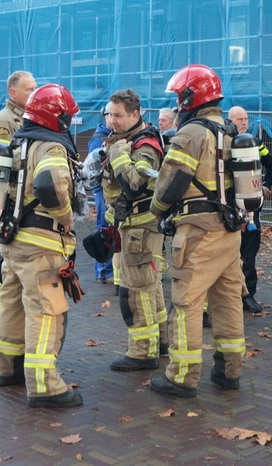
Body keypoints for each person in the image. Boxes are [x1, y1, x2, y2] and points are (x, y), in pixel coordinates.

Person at [149, 64, 246, 398]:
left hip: (197, 232)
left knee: (186, 303)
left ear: (191, 97)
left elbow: (170, 183)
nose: (178, 104)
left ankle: (182, 376)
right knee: (228, 300)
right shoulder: (229, 129)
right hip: (230, 231)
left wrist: (157, 211)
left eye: (180, 97)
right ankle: (229, 371)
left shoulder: (191, 134)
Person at [0, 84, 84, 408]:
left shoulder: (19, 142)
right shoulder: (51, 147)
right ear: (57, 118)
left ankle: (9, 368)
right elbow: (49, 185)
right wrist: (67, 217)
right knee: (45, 311)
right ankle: (45, 386)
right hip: (41, 244)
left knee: (12, 305)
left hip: (13, 241)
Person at [100, 89, 168, 372]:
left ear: (135, 115)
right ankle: (160, 342)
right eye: (109, 114)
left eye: (118, 115)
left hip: (141, 229)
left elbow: (135, 185)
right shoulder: (127, 139)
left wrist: (117, 154)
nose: (111, 120)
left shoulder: (144, 146)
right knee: (150, 288)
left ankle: (142, 351)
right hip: (133, 228)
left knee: (137, 292)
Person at [0, 71, 37, 356]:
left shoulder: (24, 119)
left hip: (15, 215)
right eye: (29, 89)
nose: (34, 92)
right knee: (2, 280)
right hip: (6, 216)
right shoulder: (6, 123)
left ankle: (9, 341)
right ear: (13, 93)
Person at [228, 106, 272, 314]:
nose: (244, 122)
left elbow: (271, 162)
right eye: (239, 119)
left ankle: (248, 295)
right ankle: (228, 295)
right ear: (229, 121)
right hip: (229, 206)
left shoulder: (255, 142)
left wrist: (266, 185)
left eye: (246, 118)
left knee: (249, 252)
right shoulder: (225, 142)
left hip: (251, 208)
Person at [88, 121, 114, 284]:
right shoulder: (100, 139)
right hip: (103, 191)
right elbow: (96, 169)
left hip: (105, 190)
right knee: (105, 230)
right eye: (110, 115)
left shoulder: (108, 136)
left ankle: (106, 271)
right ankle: (104, 271)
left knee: (108, 229)